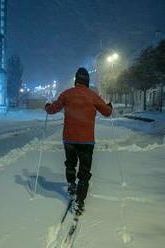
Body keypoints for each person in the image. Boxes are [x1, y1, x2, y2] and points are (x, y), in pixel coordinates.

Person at [45, 67, 113, 215]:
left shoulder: (67, 94)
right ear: (87, 80)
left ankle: (71, 184)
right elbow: (107, 112)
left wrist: (47, 107)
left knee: (70, 163)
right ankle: (80, 201)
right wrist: (109, 106)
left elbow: (53, 109)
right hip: (86, 140)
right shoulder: (92, 95)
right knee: (84, 169)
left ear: (76, 80)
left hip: (69, 138)